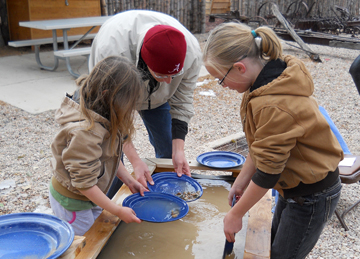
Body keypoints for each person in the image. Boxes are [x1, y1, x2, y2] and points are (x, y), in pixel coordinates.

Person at [203, 22, 344, 259]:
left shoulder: (273, 104)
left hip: (312, 194)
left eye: (220, 79)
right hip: (294, 188)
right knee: (271, 244)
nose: (223, 86)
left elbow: (268, 172)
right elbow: (260, 147)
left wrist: (236, 214)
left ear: (239, 68)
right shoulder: (262, 83)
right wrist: (241, 182)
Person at [89, 10, 202, 198]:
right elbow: (110, 113)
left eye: (173, 76)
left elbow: (182, 101)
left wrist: (179, 149)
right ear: (144, 62)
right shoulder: (112, 51)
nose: (168, 82)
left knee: (169, 146)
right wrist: (135, 161)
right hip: (118, 84)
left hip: (157, 99)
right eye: (161, 75)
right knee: (113, 158)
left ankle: (166, 194)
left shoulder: (192, 53)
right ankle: (113, 204)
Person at [49, 56, 148, 236]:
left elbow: (110, 157)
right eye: (128, 104)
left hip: (89, 196)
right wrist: (117, 210)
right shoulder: (85, 132)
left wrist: (130, 180)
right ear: (106, 95)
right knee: (86, 242)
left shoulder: (104, 114)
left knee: (97, 230)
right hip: (72, 201)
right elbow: (84, 183)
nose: (130, 110)